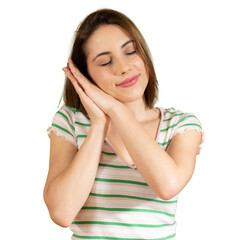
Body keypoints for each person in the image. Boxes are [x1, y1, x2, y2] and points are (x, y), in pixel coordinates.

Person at [43, 8, 204, 240]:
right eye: (105, 62)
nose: (123, 67)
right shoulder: (71, 122)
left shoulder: (180, 125)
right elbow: (62, 212)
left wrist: (116, 110)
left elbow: (168, 185)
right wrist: (99, 124)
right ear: (85, 76)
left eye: (130, 51)